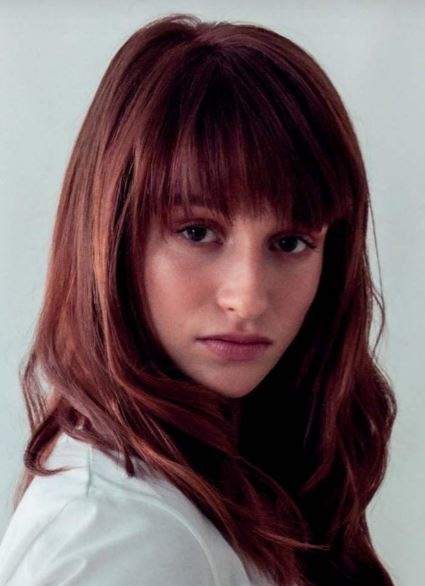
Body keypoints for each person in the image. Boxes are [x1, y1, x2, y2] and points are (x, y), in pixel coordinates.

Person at [0, 13, 396, 586]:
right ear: (113, 237)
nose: (248, 298)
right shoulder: (119, 537)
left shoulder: (230, 479)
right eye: (197, 232)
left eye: (290, 243)